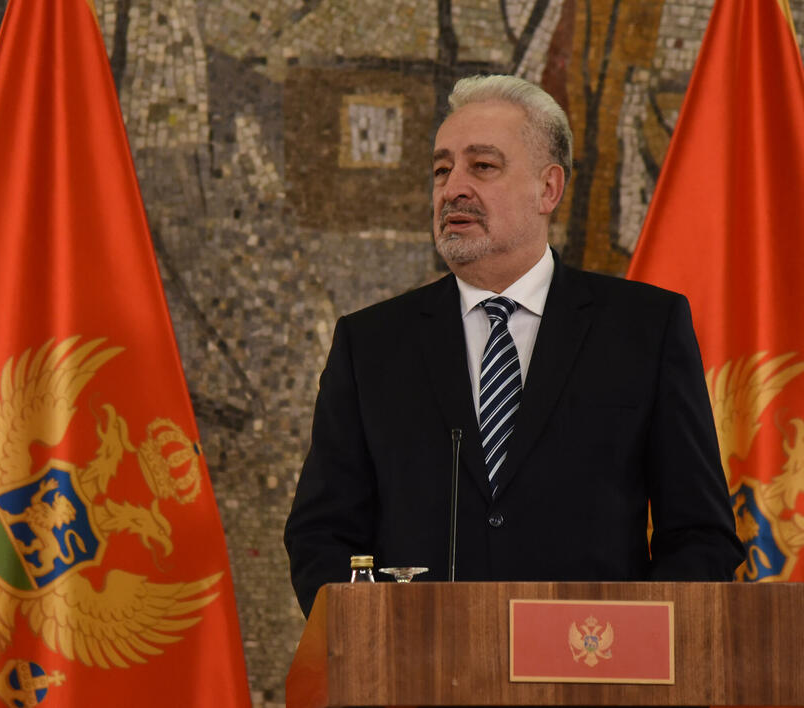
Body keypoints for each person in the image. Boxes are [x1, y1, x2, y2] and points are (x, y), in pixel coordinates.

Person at [284, 74, 744, 618]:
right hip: (422, 662)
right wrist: (372, 638)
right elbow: (321, 534)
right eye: (441, 169)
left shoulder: (645, 328)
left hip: (591, 658)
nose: (453, 188)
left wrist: (635, 639)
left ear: (548, 188)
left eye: (482, 166)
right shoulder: (371, 345)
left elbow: (700, 535)